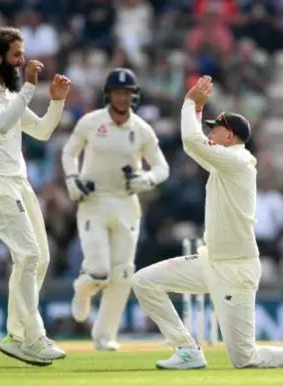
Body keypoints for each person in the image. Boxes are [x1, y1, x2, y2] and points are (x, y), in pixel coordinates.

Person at [131, 76, 283, 370]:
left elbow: (191, 141)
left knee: (243, 358)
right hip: (210, 261)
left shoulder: (237, 161)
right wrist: (198, 111)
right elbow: (195, 145)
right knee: (144, 282)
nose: (210, 133)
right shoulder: (223, 162)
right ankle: (187, 350)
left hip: (236, 269)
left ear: (230, 136)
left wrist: (190, 102)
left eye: (215, 129)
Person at [0, 27, 71, 366]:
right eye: (17, 56)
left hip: (18, 181)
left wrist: (56, 101)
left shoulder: (10, 93)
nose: (23, 61)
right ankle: (34, 337)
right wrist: (30, 87)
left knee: (40, 258)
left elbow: (41, 130)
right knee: (28, 255)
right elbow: (3, 123)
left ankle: (15, 335)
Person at [61, 67, 170, 351]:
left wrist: (145, 179)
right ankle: (82, 290)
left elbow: (162, 168)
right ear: (108, 95)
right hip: (93, 203)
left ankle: (104, 336)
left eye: (127, 93)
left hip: (125, 204)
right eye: (117, 92)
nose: (122, 98)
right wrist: (72, 179)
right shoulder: (90, 122)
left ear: (133, 96)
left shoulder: (141, 129)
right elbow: (68, 152)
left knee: (122, 275)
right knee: (98, 272)